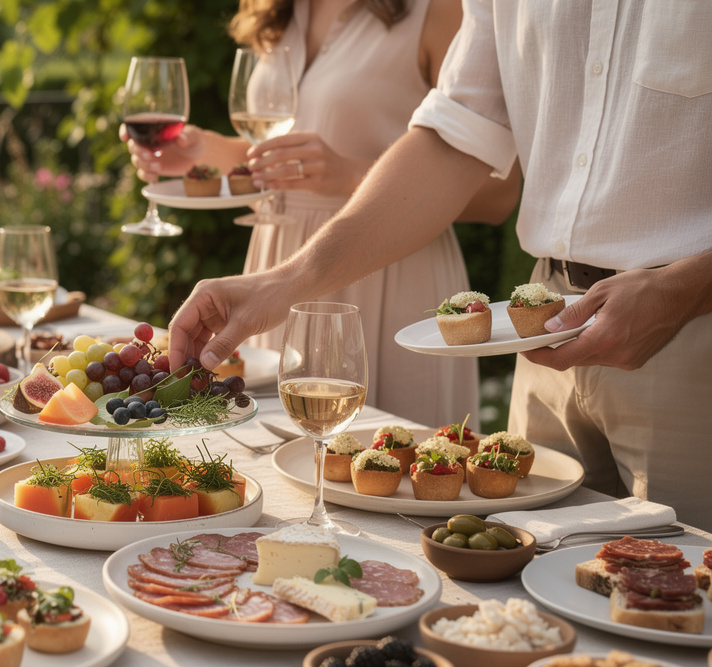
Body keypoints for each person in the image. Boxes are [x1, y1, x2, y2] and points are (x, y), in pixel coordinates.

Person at [168, 1, 712, 522]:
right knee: (530, 590)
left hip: (692, 335)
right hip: (545, 333)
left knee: (688, 599)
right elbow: (454, 139)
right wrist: (281, 283)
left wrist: (684, 288)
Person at [124, 0, 520, 428]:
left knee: (397, 465)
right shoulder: (277, 11)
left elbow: (501, 193)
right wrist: (207, 154)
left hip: (390, 271)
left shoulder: (436, 10)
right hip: (276, 276)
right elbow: (282, 167)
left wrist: (350, 173)